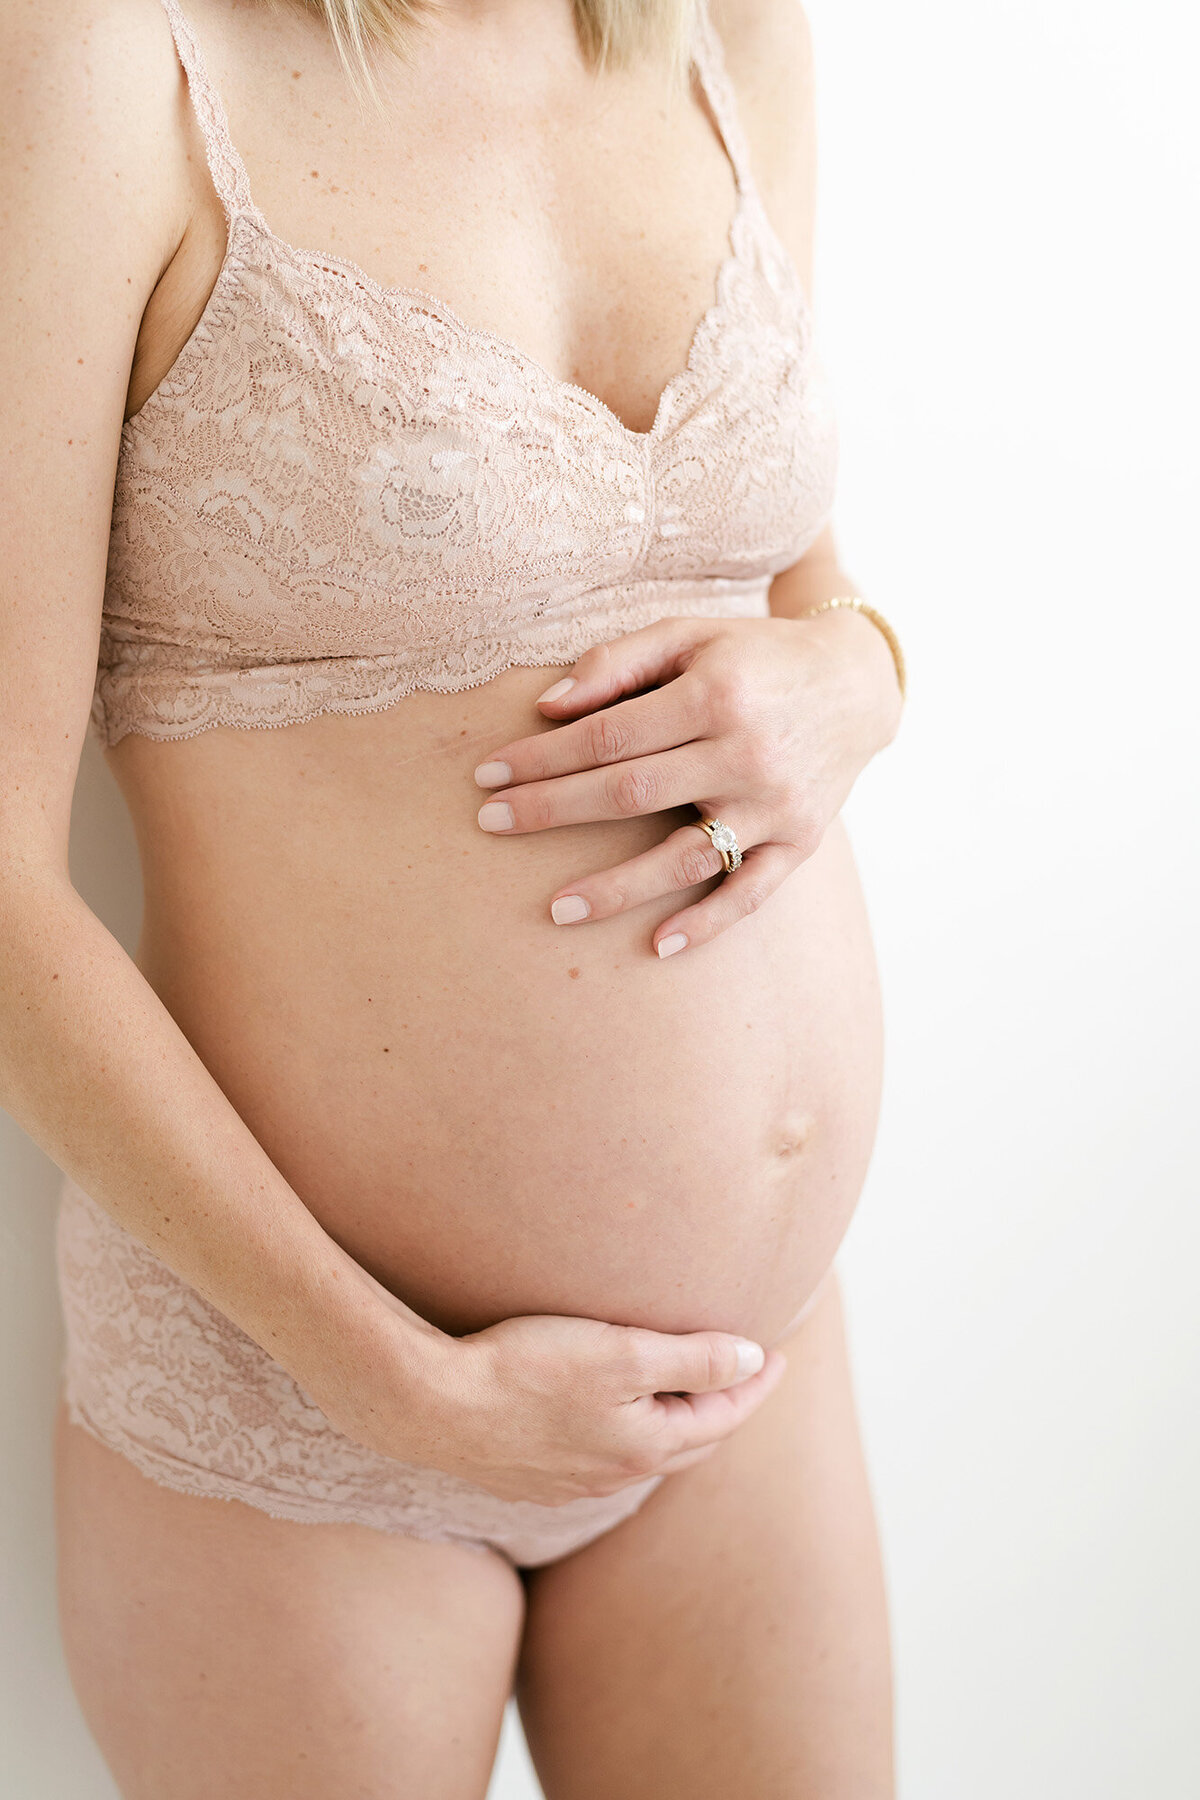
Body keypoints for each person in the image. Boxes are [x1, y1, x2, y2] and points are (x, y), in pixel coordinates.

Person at [1, 0, 903, 1791]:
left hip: (745, 1380)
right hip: (305, 1411)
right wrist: (398, 1384)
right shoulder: (115, 51)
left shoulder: (721, 29)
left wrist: (865, 679)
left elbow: (803, 593)